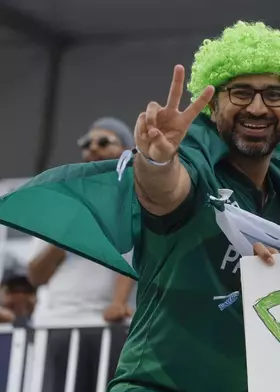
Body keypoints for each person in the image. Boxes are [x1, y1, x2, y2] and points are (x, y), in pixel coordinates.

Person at [0, 21, 280, 392]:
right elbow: (164, 192)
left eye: (274, 95)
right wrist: (156, 161)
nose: (257, 107)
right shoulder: (193, 166)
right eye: (240, 93)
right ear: (215, 103)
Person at [27, 117, 136, 392]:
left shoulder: (136, 200)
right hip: (58, 326)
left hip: (112, 328)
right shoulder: (59, 204)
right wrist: (66, 234)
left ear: (126, 150)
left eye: (104, 142)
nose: (94, 148)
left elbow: (133, 259)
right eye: (87, 143)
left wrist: (119, 301)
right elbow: (35, 276)